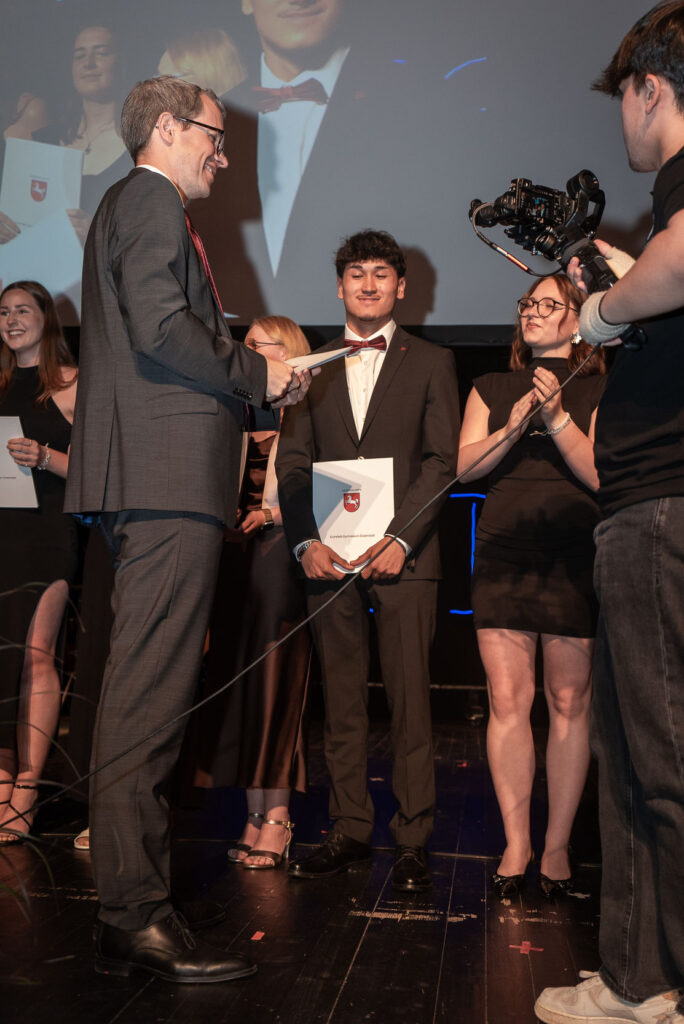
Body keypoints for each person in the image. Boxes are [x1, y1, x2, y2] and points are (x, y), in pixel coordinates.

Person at [63, 74, 309, 983]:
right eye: (214, 135)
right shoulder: (149, 200)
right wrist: (256, 372)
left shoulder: (135, 205)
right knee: (149, 697)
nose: (224, 154)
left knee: (146, 691)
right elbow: (164, 328)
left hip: (156, 477)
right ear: (167, 128)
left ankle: (130, 908)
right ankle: (133, 913)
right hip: (165, 480)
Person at [535, 4, 684, 1023]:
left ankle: (657, 984)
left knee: (659, 757)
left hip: (663, 504)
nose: (622, 124)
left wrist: (600, 308)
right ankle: (639, 978)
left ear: (650, 90)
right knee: (635, 758)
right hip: (647, 500)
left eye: (622, 101)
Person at [276, 229, 460, 891]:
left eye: (382, 273)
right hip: (329, 558)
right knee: (342, 703)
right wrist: (306, 543)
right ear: (339, 287)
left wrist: (400, 537)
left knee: (410, 702)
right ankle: (350, 828)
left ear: (401, 287)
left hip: (404, 557)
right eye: (357, 273)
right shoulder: (310, 366)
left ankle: (413, 839)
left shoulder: (433, 361)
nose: (369, 284)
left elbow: (441, 460)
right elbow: (293, 465)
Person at [457, 274, 606, 898]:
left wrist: (558, 417)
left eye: (550, 304)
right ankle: (517, 844)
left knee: (570, 701)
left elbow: (601, 475)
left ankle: (558, 847)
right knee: (507, 699)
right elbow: (463, 468)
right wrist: (512, 427)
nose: (534, 312)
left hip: (573, 551)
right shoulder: (491, 386)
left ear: (578, 319)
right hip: (503, 551)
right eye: (528, 303)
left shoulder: (601, 385)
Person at [201, 316, 312, 870]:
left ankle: (278, 815)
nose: (244, 353)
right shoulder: (232, 410)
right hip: (230, 559)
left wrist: (270, 515)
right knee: (239, 686)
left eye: (256, 346)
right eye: (242, 346)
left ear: (287, 354)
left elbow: (326, 490)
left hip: (281, 558)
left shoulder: (308, 413)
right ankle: (252, 812)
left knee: (275, 684)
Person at [0, 280, 78, 843]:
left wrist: (45, 456)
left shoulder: (73, 385)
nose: (11, 320)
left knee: (35, 654)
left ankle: (27, 786)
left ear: (46, 319)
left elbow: (100, 468)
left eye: (22, 310)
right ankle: (1, 779)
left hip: (47, 533)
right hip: (0, 530)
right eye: (3, 312)